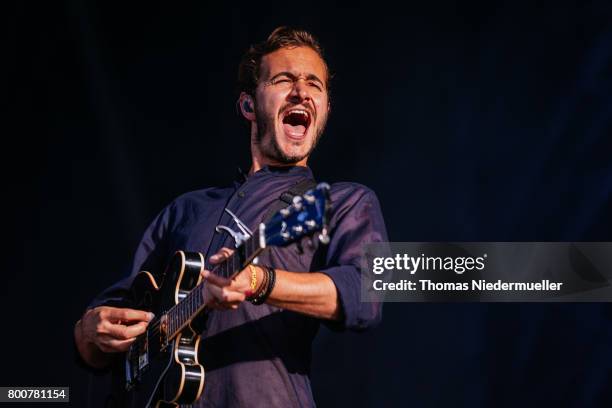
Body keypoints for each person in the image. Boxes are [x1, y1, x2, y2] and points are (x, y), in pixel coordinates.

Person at [74, 26, 388, 407]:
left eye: (314, 85)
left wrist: (259, 280)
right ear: (249, 105)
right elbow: (110, 330)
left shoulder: (343, 201)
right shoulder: (187, 208)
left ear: (324, 112)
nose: (301, 92)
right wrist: (87, 332)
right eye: (284, 79)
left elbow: (365, 293)